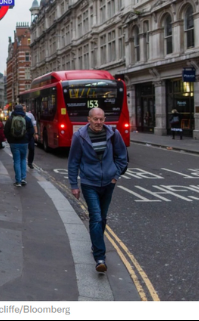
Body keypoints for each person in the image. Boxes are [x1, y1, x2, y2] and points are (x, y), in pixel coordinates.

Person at [67, 107, 129, 275]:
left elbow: (122, 157)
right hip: (89, 183)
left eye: (101, 119)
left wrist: (115, 176)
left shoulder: (113, 134)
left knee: (102, 217)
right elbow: (73, 162)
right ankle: (100, 258)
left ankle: (96, 244)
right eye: (95, 119)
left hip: (108, 183)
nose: (99, 122)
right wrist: (74, 185)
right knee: (95, 217)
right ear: (89, 119)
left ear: (104, 119)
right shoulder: (80, 137)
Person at [5, 104, 35, 186]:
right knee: (23, 160)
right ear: (22, 110)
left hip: (14, 143)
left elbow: (6, 131)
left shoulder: (10, 119)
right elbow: (31, 131)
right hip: (24, 143)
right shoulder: (27, 119)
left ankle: (18, 181)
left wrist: (10, 139)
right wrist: (27, 139)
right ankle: (23, 179)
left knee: (16, 161)